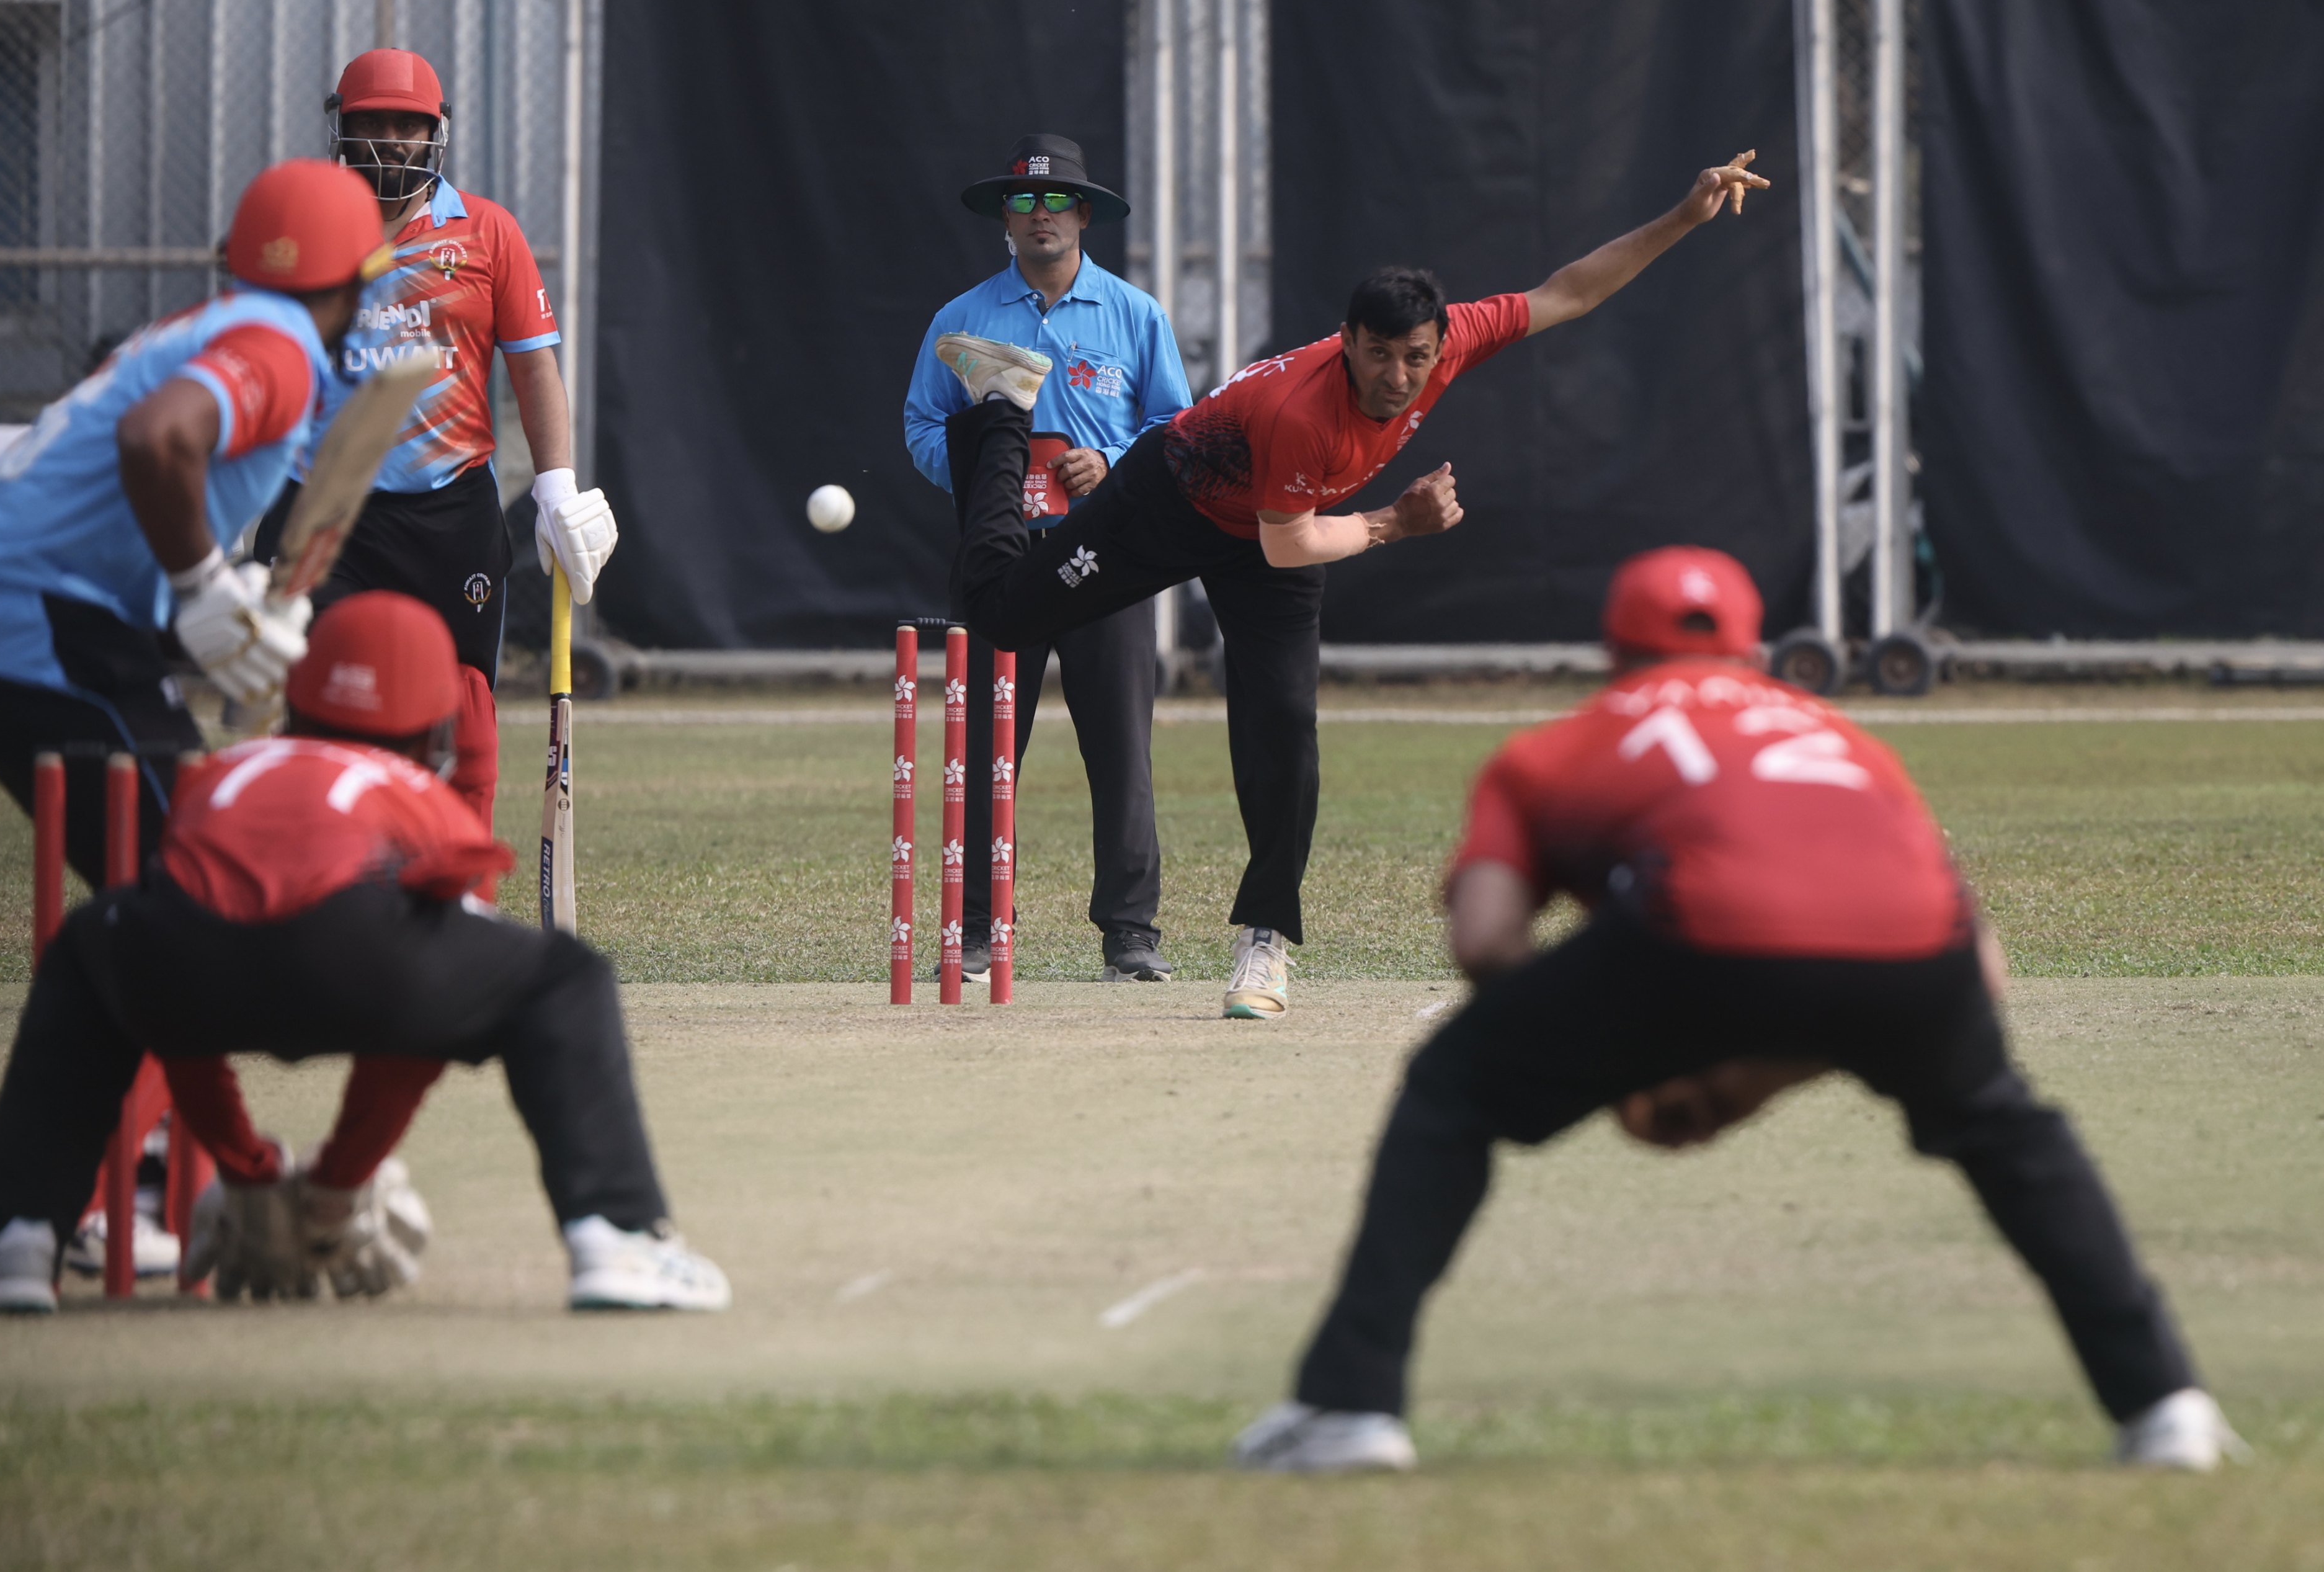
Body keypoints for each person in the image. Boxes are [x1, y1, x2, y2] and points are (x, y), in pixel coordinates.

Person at [1229, 547, 2245, 1475]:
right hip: (1919, 948)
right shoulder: (1843, 737)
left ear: (1611, 651)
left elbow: (1487, 942)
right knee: (2005, 1130)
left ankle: (1351, 1407)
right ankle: (2167, 1407)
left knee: (1452, 1088)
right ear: (1761, 653)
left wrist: (1626, 1058)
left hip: (1697, 926)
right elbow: (1978, 968)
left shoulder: (1550, 751)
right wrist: (1751, 1076)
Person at [933, 154, 1773, 1019]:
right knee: (999, 613)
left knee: (1282, 723)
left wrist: (1682, 216)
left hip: (1269, 536)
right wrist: (1392, 524)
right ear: (1346, 341)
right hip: (1167, 501)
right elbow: (1292, 541)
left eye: (1414, 357)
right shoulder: (1305, 411)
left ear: (1441, 341)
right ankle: (1001, 401)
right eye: (1377, 357)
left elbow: (1568, 292)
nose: (1397, 378)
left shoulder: (1451, 339)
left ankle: (1262, 941)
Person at [0, 591, 731, 1315]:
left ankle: (12, 1241)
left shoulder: (223, 771)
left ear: (299, 697)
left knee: (91, 950)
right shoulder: (423, 795)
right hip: (359, 954)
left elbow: (180, 1002)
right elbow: (412, 1032)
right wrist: (340, 1182)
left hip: (187, 962)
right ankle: (618, 1241)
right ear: (435, 728)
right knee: (565, 976)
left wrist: (243, 1165)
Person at [0, 157, 385, 888]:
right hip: (29, 619)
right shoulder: (281, 340)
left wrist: (225, 614)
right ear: (355, 278)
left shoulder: (217, 324)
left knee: (181, 866)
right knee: (202, 877)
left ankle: (117, 990)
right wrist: (206, 588)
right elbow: (156, 438)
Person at [252, 48, 618, 832]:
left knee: (461, 702)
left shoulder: (487, 231)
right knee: (319, 692)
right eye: (372, 124)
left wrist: (556, 484)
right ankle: (328, 874)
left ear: (435, 133)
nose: (390, 142)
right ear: (341, 131)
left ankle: (456, 882)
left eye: (407, 126)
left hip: (449, 508)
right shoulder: (300, 234)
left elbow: (534, 368)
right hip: (325, 507)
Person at [906, 134, 1193, 981]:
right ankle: (977, 927)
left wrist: (1110, 467)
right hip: (1002, 556)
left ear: (1083, 214)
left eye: (1055, 202)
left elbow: (1174, 431)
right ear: (1006, 216)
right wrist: (991, 475)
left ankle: (1130, 933)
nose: (1040, 217)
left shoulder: (1135, 315)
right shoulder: (961, 320)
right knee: (988, 746)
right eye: (1024, 203)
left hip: (1109, 552)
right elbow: (922, 428)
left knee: (1119, 745)